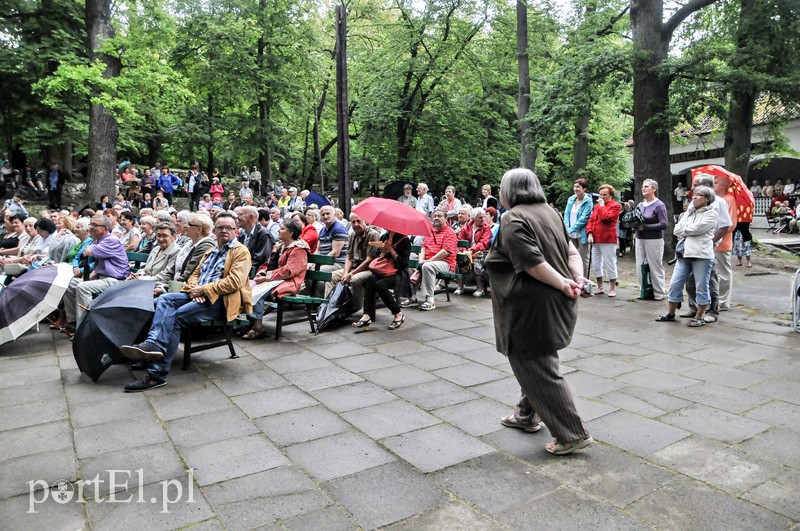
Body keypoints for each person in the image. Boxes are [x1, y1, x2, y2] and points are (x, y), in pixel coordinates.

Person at [487, 168, 594, 456]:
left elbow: (533, 263)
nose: (499, 194)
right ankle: (525, 414)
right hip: (551, 302)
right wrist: (576, 279)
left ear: (510, 191)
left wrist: (564, 284)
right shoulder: (551, 212)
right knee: (537, 360)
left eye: (501, 188)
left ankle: (572, 434)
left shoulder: (513, 217)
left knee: (536, 364)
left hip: (529, 306)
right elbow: (572, 253)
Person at [119, 212, 252, 391]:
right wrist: (193, 289)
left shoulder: (240, 251)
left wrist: (204, 290)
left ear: (236, 231)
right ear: (215, 229)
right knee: (163, 300)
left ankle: (156, 373)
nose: (224, 231)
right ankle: (153, 345)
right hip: (198, 295)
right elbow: (195, 274)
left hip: (220, 301)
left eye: (229, 228)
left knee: (174, 318)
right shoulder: (212, 250)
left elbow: (234, 281)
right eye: (220, 227)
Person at [655, 186, 718, 327]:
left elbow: (698, 229)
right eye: (694, 195)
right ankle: (670, 313)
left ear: (707, 199)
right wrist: (686, 226)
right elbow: (676, 229)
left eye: (699, 195)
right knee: (675, 284)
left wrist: (685, 230)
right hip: (684, 254)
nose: (694, 197)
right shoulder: (689, 213)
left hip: (702, 254)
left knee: (701, 286)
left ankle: (700, 316)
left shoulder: (712, 213)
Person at [61, 216, 131, 334]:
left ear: (104, 228)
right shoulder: (99, 240)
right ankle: (72, 321)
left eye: (94, 225)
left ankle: (87, 326)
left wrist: (90, 249)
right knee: (70, 283)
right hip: (103, 278)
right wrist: (84, 279)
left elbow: (88, 252)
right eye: (90, 224)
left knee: (83, 287)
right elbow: (97, 268)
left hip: (116, 280)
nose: (91, 227)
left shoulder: (110, 240)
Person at [241, 219, 309, 339]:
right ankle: (251, 323)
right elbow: (268, 263)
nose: (279, 230)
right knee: (246, 288)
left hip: (289, 281)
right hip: (275, 279)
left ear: (291, 233)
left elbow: (290, 270)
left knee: (258, 293)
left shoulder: (298, 249)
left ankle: (258, 327)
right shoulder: (280, 246)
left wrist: (267, 278)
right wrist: (261, 273)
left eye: (282, 228)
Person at [352, 230, 410, 331]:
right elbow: (378, 256)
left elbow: (404, 264)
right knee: (370, 280)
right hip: (384, 271)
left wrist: (391, 250)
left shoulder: (404, 240)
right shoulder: (384, 236)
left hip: (398, 272)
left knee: (380, 284)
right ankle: (367, 315)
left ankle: (398, 314)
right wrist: (383, 252)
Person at [328, 213, 381, 314]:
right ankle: (330, 307)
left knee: (355, 279)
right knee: (331, 277)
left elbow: (369, 259)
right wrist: (345, 273)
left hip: (369, 269)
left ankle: (356, 306)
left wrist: (351, 274)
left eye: (358, 221)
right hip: (354, 267)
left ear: (364, 221)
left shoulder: (373, 234)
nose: (356, 224)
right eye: (353, 222)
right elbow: (348, 257)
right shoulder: (352, 234)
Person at [414, 209, 457, 311]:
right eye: (435, 216)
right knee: (411, 260)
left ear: (446, 219)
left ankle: (430, 300)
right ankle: (412, 297)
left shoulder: (450, 232)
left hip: (445, 263)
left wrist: (429, 261)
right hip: (428, 261)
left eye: (439, 216)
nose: (436, 218)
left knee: (427, 266)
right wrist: (420, 261)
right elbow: (423, 247)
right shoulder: (430, 231)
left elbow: (446, 251)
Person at [634, 179, 668, 301]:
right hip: (639, 238)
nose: (643, 188)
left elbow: (664, 224)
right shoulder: (640, 205)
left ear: (654, 189)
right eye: (643, 186)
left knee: (655, 264)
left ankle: (658, 291)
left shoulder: (659, 205)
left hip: (654, 239)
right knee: (640, 264)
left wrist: (646, 227)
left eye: (647, 186)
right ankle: (644, 289)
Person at [586, 184, 621, 297]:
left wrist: (602, 206)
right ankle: (600, 286)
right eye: (600, 194)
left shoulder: (615, 206)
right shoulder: (596, 207)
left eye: (604, 195)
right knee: (596, 264)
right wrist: (590, 233)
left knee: (610, 263)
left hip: (608, 239)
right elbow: (591, 220)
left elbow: (606, 218)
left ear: (611, 195)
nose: (602, 197)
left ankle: (612, 288)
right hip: (595, 239)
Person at [455, 208, 491, 297]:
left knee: (477, 263)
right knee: (459, 260)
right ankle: (460, 286)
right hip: (466, 251)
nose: (483, 219)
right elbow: (460, 240)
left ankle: (480, 288)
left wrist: (471, 250)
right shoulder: (466, 226)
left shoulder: (486, 228)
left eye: (484, 217)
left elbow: (483, 243)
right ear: (474, 218)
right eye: (480, 218)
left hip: (480, 252)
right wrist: (464, 251)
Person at [563, 178, 593, 277]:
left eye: (578, 187)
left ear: (584, 189)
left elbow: (584, 218)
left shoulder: (588, 201)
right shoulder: (571, 199)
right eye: (575, 186)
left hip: (582, 233)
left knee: (582, 257)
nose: (575, 189)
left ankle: (583, 280)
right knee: (571, 256)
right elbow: (566, 214)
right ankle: (572, 278)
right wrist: (567, 228)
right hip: (570, 233)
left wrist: (571, 229)